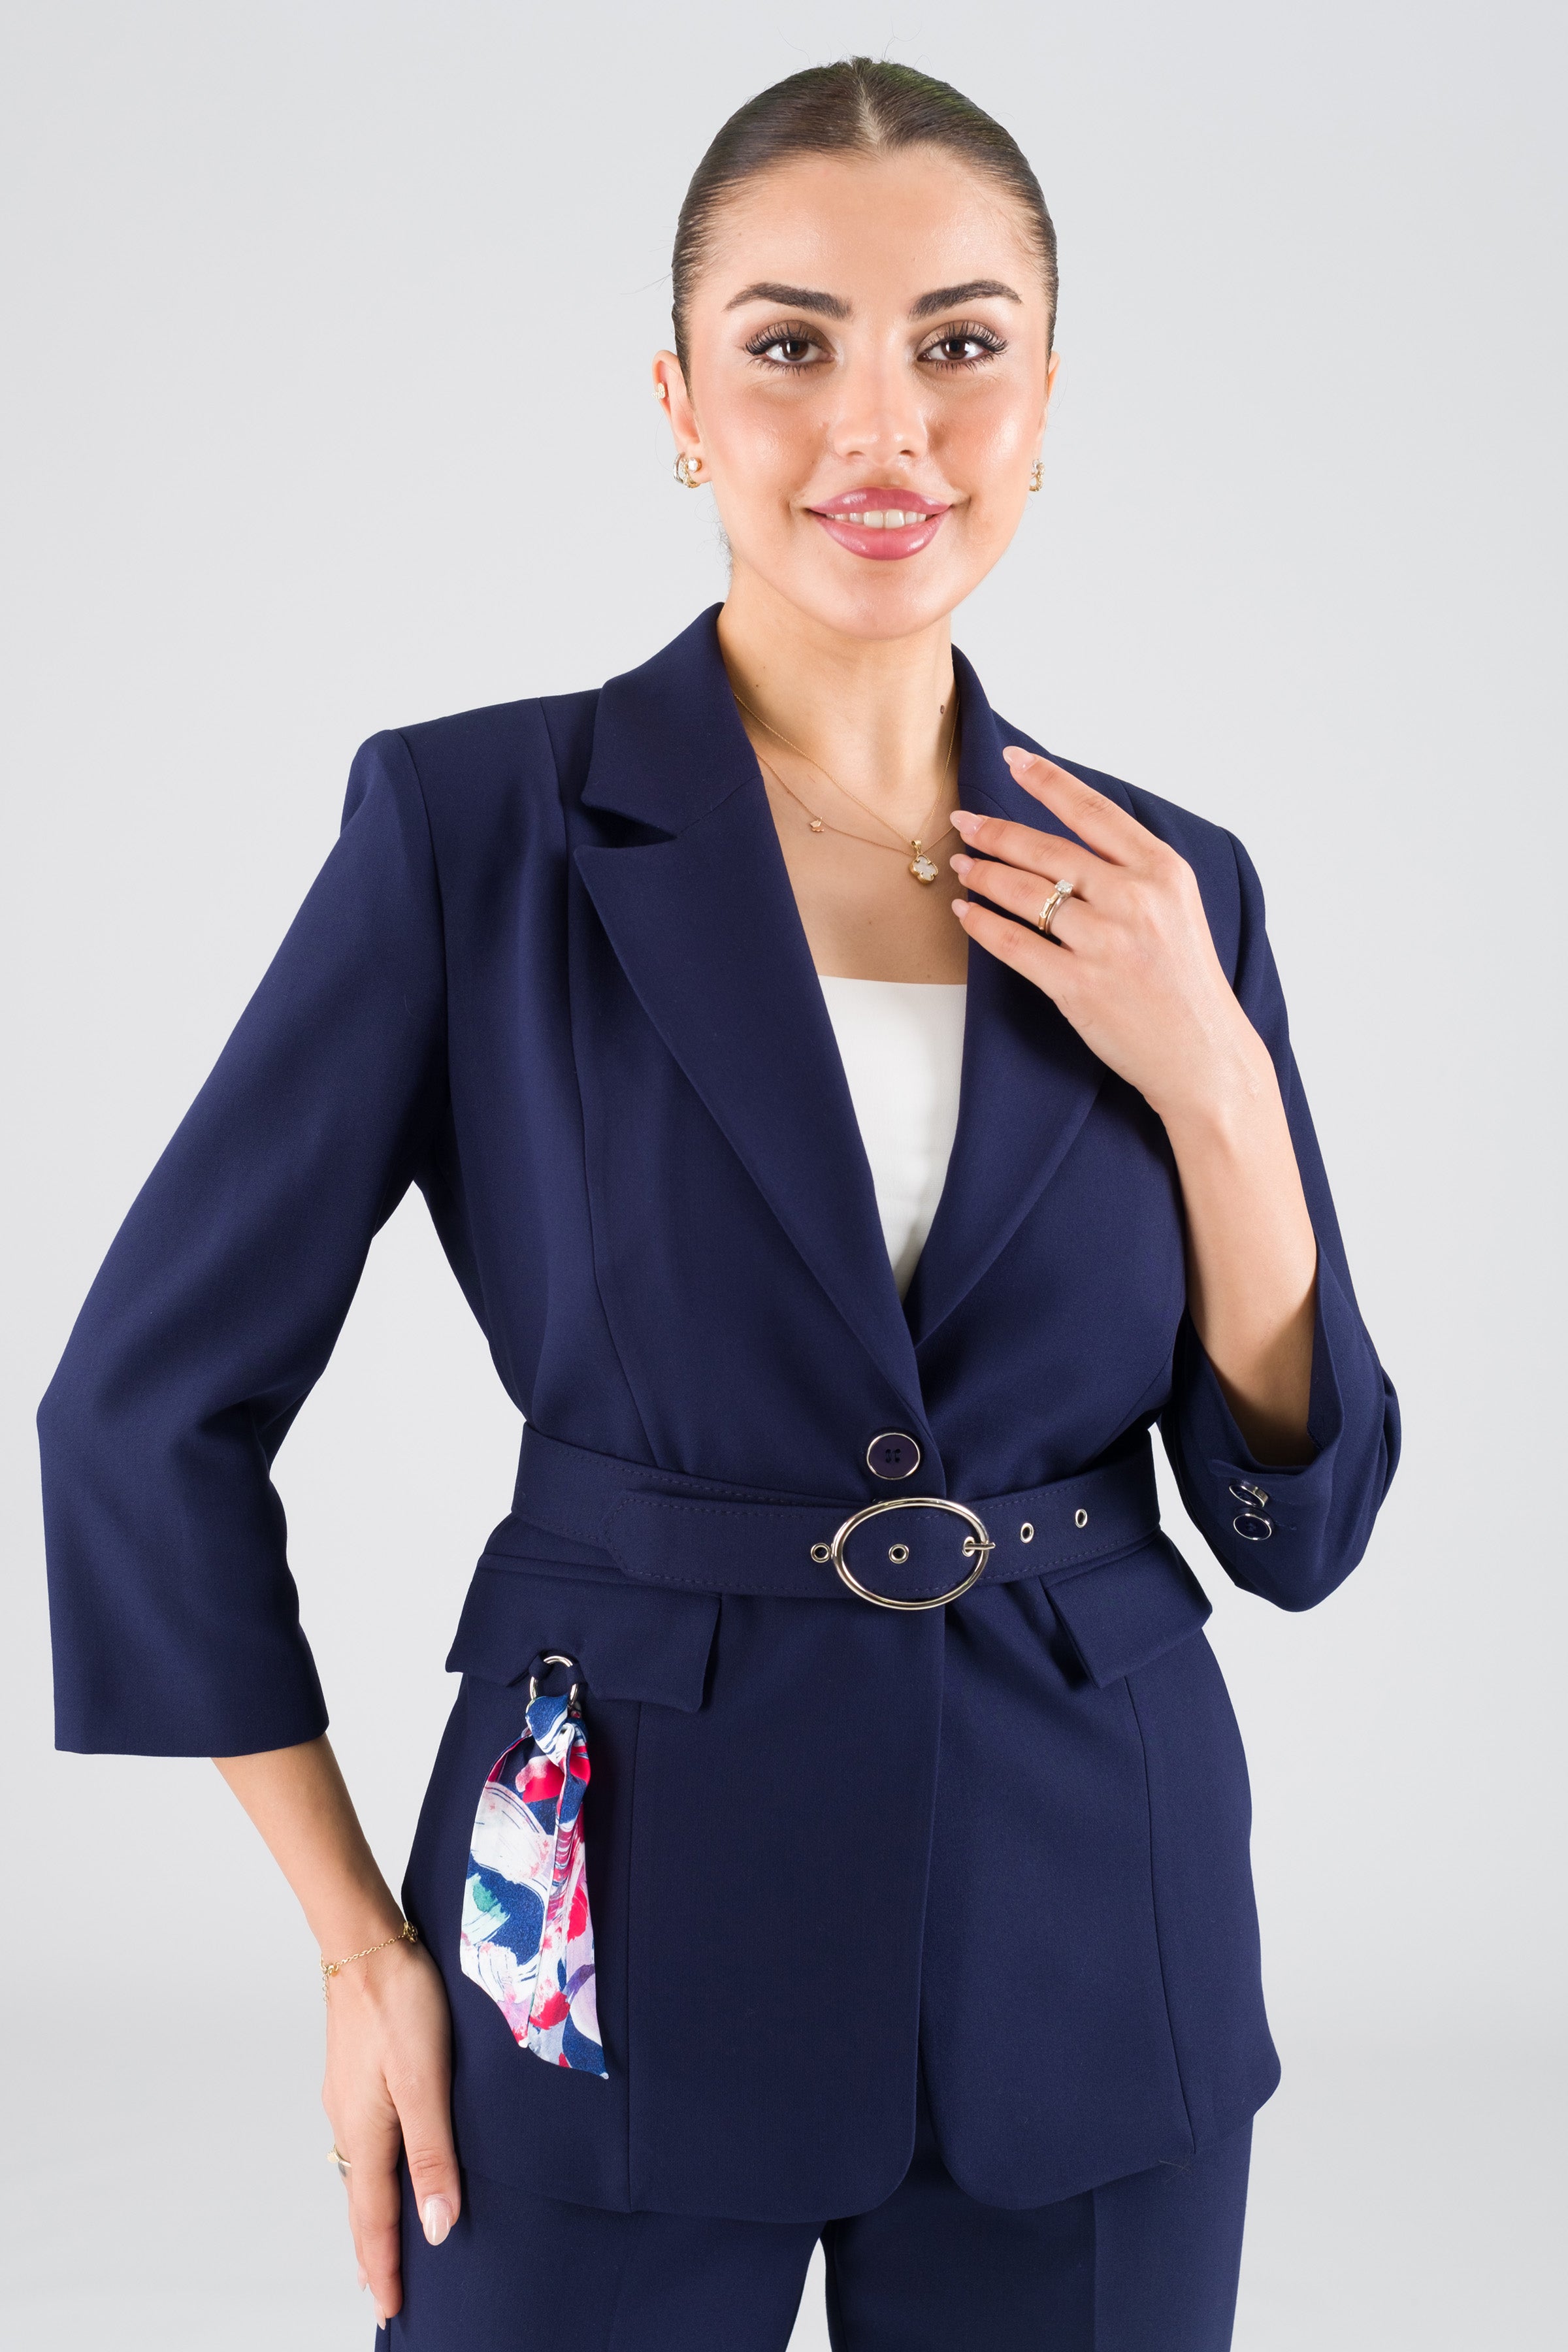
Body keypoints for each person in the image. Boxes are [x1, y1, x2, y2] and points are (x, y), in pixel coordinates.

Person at [38, 56, 1399, 2352]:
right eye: (791, 345)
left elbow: (1300, 1523)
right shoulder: (478, 830)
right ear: (679, 403)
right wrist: (359, 1950)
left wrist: (1217, 1079)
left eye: (958, 345)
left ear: (1047, 402)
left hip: (1096, 1926)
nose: (884, 428)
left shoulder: (1175, 886)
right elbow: (136, 1416)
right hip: (600, 1923)